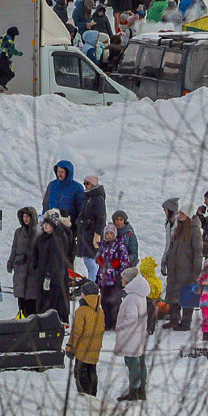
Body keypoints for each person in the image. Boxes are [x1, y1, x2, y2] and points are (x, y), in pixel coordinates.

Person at [162, 199, 203, 331]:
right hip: (174, 269)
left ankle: (186, 323)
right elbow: (171, 246)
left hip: (187, 270)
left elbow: (198, 253)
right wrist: (166, 260)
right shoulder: (178, 229)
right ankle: (174, 319)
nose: (179, 216)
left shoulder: (195, 231)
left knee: (186, 296)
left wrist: (196, 272)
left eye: (182, 214)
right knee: (173, 295)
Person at [115, 267, 150, 401]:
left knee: (132, 363)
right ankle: (141, 390)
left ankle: (134, 392)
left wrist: (120, 328)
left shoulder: (130, 298)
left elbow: (131, 319)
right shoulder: (140, 296)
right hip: (139, 335)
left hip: (131, 337)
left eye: (123, 278)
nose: (121, 280)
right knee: (140, 362)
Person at [34, 209, 73, 323]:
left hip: (53, 278)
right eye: (45, 223)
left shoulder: (56, 240)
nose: (45, 226)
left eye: (48, 224)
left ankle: (52, 325)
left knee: (51, 305)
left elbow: (55, 261)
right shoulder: (45, 238)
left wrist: (48, 277)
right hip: (46, 275)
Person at [67, 281, 105, 397]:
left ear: (85, 295)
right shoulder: (100, 310)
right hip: (95, 349)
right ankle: (93, 397)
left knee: (80, 374)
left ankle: (85, 399)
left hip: (83, 350)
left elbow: (76, 332)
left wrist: (70, 347)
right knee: (92, 372)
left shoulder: (81, 311)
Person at [8, 207, 40, 316]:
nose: (25, 219)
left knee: (32, 302)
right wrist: (10, 262)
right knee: (21, 302)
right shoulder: (18, 232)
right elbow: (14, 248)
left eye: (28, 216)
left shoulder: (38, 232)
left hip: (33, 271)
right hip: (20, 269)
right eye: (24, 216)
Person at [76, 172, 108, 279]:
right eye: (84, 183)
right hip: (85, 232)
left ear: (93, 184)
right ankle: (93, 282)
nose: (85, 185)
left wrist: (98, 234)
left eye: (88, 183)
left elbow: (101, 218)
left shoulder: (98, 198)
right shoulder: (88, 197)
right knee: (89, 260)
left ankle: (92, 284)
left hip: (92, 234)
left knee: (90, 260)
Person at [0, 25, 22, 93]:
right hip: (3, 59)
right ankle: (0, 85)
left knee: (3, 74)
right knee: (10, 74)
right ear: (13, 34)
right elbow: (11, 49)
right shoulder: (9, 40)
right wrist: (18, 53)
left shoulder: (5, 37)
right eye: (16, 35)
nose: (16, 37)